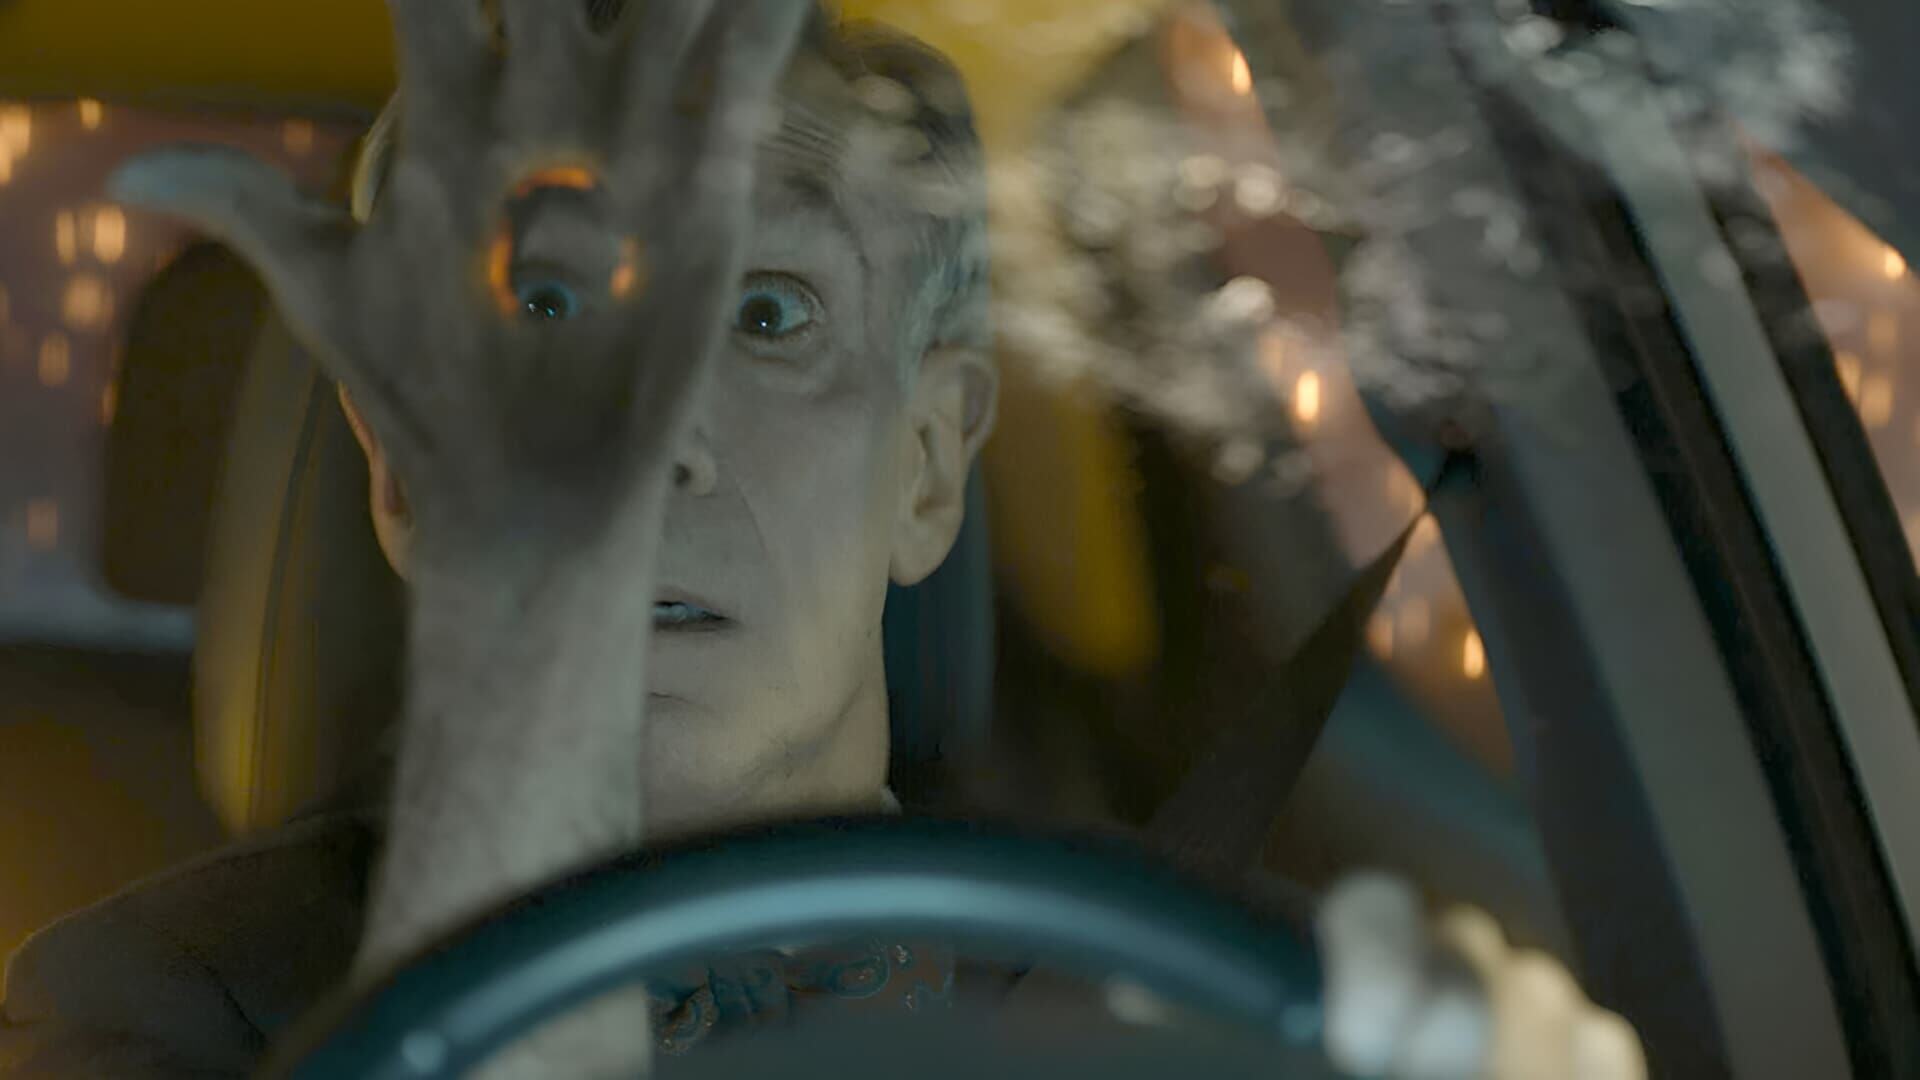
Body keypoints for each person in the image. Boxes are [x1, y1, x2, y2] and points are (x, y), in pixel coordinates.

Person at [0, 2, 1641, 1077]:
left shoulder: (1192, 1011)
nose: (655, 436)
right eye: (548, 305)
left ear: (927, 466)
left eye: (770, 313)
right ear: (406, 470)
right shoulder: (141, 1014)